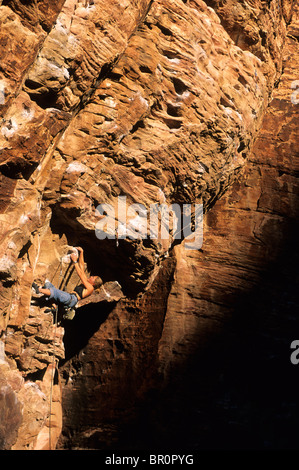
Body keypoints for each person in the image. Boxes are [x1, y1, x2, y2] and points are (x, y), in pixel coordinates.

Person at [32, 247, 102, 310]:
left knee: (54, 291)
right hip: (69, 297)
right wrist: (81, 252)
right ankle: (54, 306)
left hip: (71, 299)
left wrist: (75, 261)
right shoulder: (87, 283)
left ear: (94, 283)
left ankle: (38, 289)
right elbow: (82, 267)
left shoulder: (90, 288)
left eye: (93, 277)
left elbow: (80, 274)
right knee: (47, 284)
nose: (91, 276)